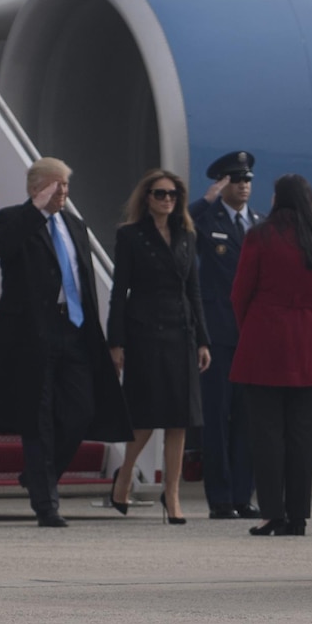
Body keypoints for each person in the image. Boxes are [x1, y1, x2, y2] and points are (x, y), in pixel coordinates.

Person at [0, 158, 130, 527]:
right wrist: (36, 211)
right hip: (31, 335)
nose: (63, 194)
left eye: (66, 187)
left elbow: (83, 283)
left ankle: (39, 476)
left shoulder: (75, 226)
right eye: (57, 187)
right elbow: (3, 247)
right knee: (37, 419)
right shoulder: (12, 220)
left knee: (81, 412)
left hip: (72, 330)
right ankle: (46, 504)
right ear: (37, 188)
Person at [229, 174, 312, 538]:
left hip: (264, 343)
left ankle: (272, 513)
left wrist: (255, 328)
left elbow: (240, 293)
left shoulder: (259, 236)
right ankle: (298, 516)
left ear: (277, 198)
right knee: (303, 437)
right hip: (310, 347)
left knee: (266, 435)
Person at [106, 169, 211, 524]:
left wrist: (202, 340)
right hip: (146, 332)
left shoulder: (187, 235)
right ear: (146, 198)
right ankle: (124, 475)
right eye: (159, 194)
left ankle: (173, 494)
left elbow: (194, 289)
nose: (167, 200)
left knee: (179, 419)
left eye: (172, 195)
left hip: (181, 331)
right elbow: (119, 292)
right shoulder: (131, 236)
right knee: (146, 417)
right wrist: (116, 341)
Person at [192, 151, 260, 519]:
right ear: (222, 184)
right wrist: (206, 200)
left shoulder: (259, 224)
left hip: (251, 336)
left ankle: (241, 495)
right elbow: (177, 224)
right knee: (217, 418)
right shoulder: (209, 220)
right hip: (218, 334)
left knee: (247, 418)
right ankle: (219, 498)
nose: (244, 186)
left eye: (248, 180)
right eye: (236, 180)